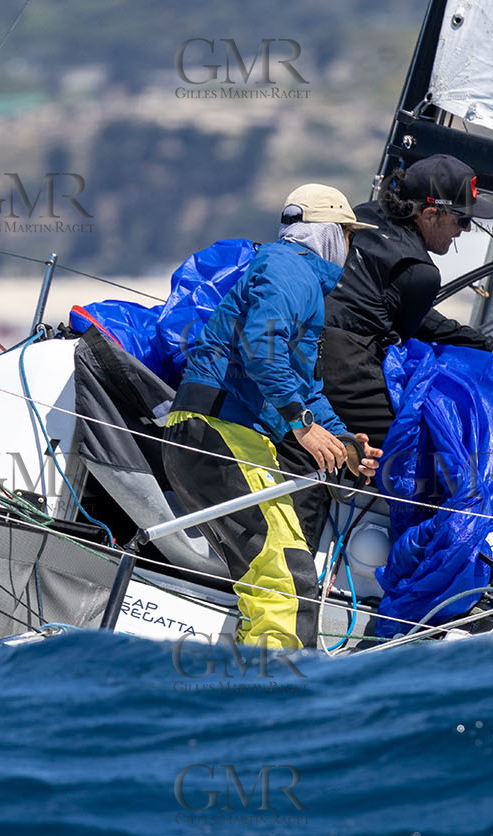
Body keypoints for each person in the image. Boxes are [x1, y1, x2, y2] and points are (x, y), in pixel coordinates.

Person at [163, 183, 380, 650]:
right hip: (219, 430)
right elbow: (261, 352)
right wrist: (302, 426)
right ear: (329, 234)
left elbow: (305, 387)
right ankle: (273, 694)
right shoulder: (288, 268)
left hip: (227, 434)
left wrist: (343, 443)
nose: (351, 248)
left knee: (285, 568)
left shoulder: (299, 281)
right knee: (283, 576)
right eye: (349, 236)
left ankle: (262, 681)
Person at [320, 154, 493, 451]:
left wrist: (484, 343)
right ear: (428, 215)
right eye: (462, 219)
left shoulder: (362, 215)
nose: (465, 229)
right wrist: (485, 345)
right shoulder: (421, 272)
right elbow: (413, 327)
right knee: (422, 451)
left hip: (298, 343)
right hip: (344, 365)